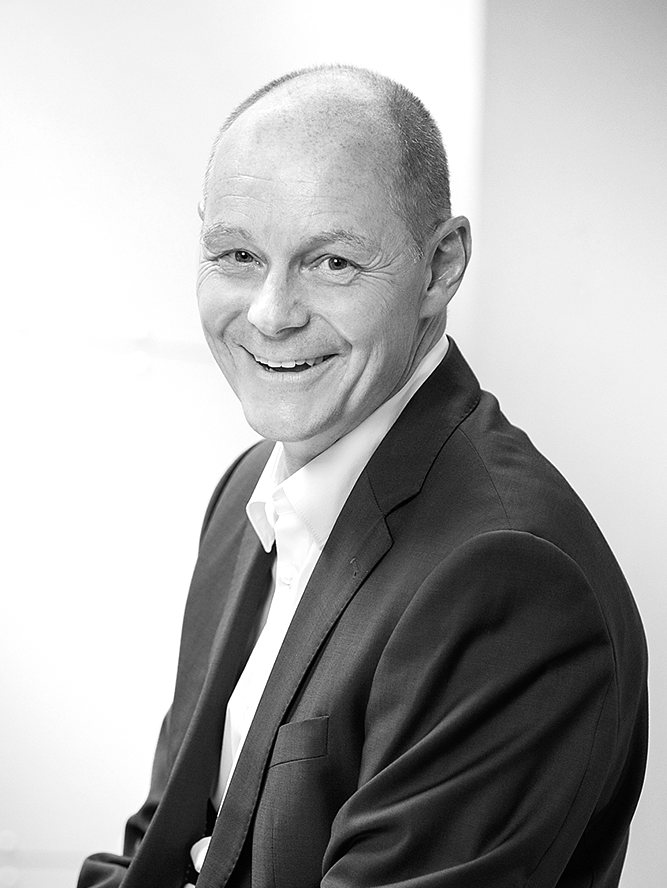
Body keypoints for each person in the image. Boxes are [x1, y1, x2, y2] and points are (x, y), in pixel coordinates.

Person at [78, 64, 648, 888]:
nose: (270, 313)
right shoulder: (248, 495)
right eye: (237, 255)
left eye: (333, 263)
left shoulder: (510, 575)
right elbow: (165, 853)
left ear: (440, 267)